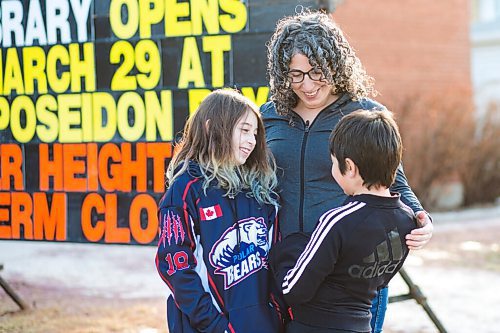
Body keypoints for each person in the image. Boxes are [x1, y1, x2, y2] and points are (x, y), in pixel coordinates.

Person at [261, 9, 433, 332]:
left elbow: (395, 181)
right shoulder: (269, 116)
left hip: (351, 277)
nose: (307, 85)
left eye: (316, 72)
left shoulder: (366, 114)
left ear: (335, 66)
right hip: (291, 268)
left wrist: (422, 217)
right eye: (296, 74)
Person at [270, 109, 416, 333]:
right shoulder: (407, 221)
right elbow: (379, 281)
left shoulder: (337, 221)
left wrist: (285, 253)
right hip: (360, 325)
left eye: (333, 163)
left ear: (349, 167)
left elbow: (294, 290)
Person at [155, 89, 285, 333]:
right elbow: (176, 268)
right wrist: (215, 326)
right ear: (211, 128)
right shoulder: (185, 191)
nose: (252, 141)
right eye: (244, 130)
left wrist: (275, 316)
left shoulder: (260, 192)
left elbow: (276, 261)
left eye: (255, 134)